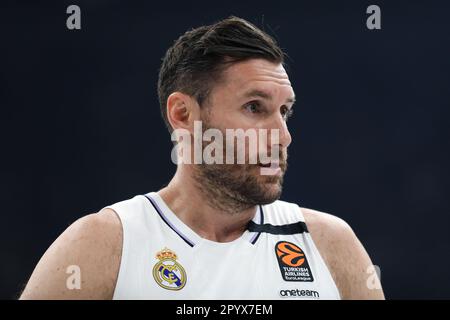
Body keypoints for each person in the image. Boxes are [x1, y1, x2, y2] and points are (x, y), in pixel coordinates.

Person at [20, 16, 384, 300]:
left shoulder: (329, 243)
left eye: (284, 111)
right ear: (183, 114)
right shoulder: (105, 244)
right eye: (254, 107)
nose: (282, 136)